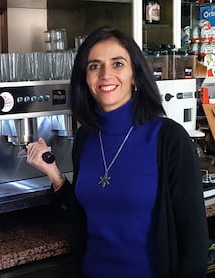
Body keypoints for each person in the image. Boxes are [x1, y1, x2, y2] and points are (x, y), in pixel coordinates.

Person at [27, 26, 209, 277]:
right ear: (85, 78)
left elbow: (195, 244)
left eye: (118, 64)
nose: (105, 75)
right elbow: (90, 211)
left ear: (135, 74)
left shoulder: (169, 139)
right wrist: (54, 175)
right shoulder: (86, 137)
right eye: (94, 66)